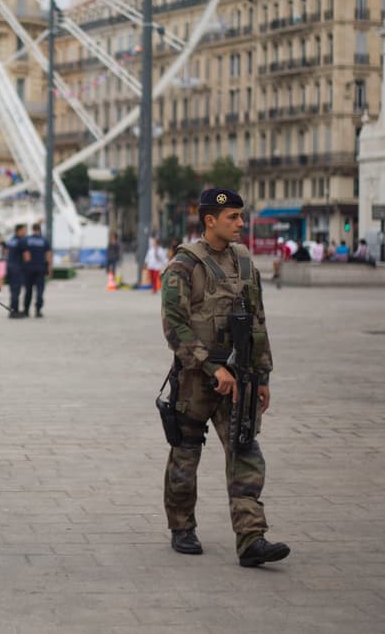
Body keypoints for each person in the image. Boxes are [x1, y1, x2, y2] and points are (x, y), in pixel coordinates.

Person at [160, 187, 290, 568]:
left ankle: (251, 537)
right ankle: (181, 527)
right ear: (210, 220)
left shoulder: (245, 263)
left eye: (241, 216)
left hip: (242, 378)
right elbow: (175, 329)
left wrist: (262, 374)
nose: (240, 223)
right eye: (233, 217)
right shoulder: (183, 266)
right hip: (197, 381)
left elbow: (258, 321)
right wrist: (210, 366)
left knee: (246, 450)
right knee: (186, 453)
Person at [21, 222, 50, 317]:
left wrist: (26, 265)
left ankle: (26, 310)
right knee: (40, 290)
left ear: (32, 229)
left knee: (28, 290)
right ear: (39, 229)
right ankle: (38, 310)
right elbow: (48, 255)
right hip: (40, 268)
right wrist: (49, 268)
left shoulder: (27, 240)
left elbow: (26, 255)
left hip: (29, 268)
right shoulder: (44, 240)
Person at [5, 223, 26, 317]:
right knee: (16, 290)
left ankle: (13, 309)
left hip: (10, 267)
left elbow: (6, 253)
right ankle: (14, 311)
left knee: (13, 289)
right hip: (17, 267)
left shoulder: (11, 240)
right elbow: (26, 256)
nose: (25, 232)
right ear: (19, 230)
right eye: (24, 230)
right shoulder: (21, 241)